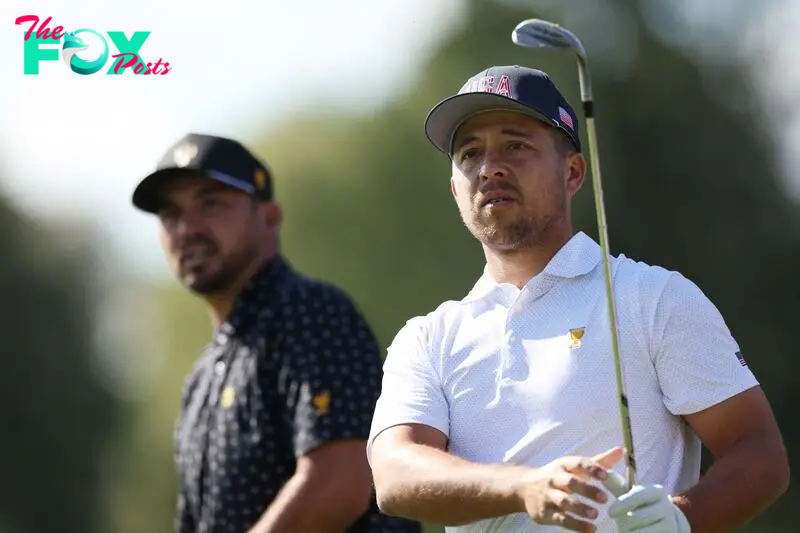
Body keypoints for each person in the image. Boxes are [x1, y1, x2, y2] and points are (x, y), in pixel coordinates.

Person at [366, 66, 789, 533]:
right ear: (455, 189)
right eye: (470, 153)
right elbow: (394, 475)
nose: (490, 167)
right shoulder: (428, 337)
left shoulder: (653, 298)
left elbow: (759, 452)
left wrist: (683, 520)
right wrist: (525, 488)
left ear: (572, 172)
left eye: (516, 145)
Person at [131, 133, 422, 533]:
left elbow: (340, 482)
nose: (187, 228)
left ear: (269, 217)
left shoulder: (311, 312)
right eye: (170, 215)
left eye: (211, 203)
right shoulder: (202, 376)